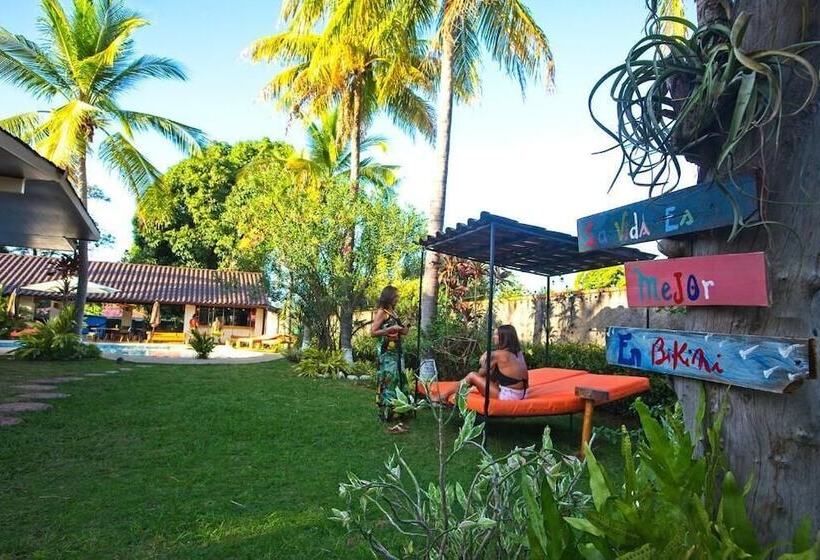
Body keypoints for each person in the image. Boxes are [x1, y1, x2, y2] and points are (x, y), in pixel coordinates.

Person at [371, 285, 410, 429]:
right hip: (387, 352)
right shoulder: (382, 312)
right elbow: (373, 332)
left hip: (397, 351)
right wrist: (389, 329)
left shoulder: (393, 312)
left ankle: (399, 409)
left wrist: (405, 328)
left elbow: (401, 332)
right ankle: (387, 411)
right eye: (395, 296)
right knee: (389, 379)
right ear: (389, 297)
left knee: (399, 378)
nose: (397, 298)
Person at [462, 325, 528, 400]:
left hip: (510, 396)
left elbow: (481, 373)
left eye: (496, 335)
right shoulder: (519, 353)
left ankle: (452, 395)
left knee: (472, 375)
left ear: (504, 337)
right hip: (523, 393)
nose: (493, 337)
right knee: (494, 373)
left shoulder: (497, 354)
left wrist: (484, 360)